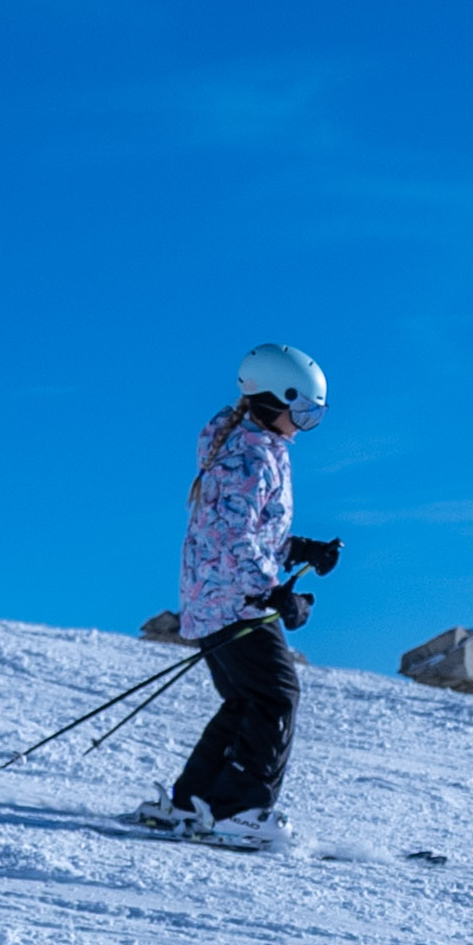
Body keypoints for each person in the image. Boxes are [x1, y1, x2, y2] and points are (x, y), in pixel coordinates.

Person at [137, 343, 340, 843]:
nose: (304, 425)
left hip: (218, 598)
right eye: (303, 412)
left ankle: (190, 805)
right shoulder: (249, 456)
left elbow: (241, 531)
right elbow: (234, 539)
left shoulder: (249, 448)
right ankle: (239, 811)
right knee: (276, 697)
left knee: (246, 701)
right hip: (235, 601)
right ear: (276, 399)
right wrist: (273, 594)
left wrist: (298, 549)